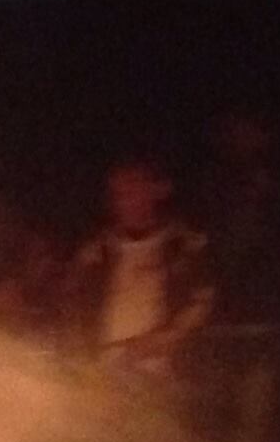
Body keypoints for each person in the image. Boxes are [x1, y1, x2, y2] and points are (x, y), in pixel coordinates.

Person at [195, 114, 280, 442]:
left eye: (252, 130)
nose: (244, 138)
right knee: (213, 424)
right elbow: (208, 252)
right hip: (220, 326)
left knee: (252, 436)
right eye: (237, 131)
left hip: (263, 328)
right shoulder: (216, 187)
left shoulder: (278, 192)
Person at [65, 157, 213, 383]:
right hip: (103, 381)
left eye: (134, 187)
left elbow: (201, 303)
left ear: (160, 189)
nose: (125, 200)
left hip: (165, 381)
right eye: (118, 192)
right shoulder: (96, 252)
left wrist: (163, 340)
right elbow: (74, 302)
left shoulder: (185, 246)